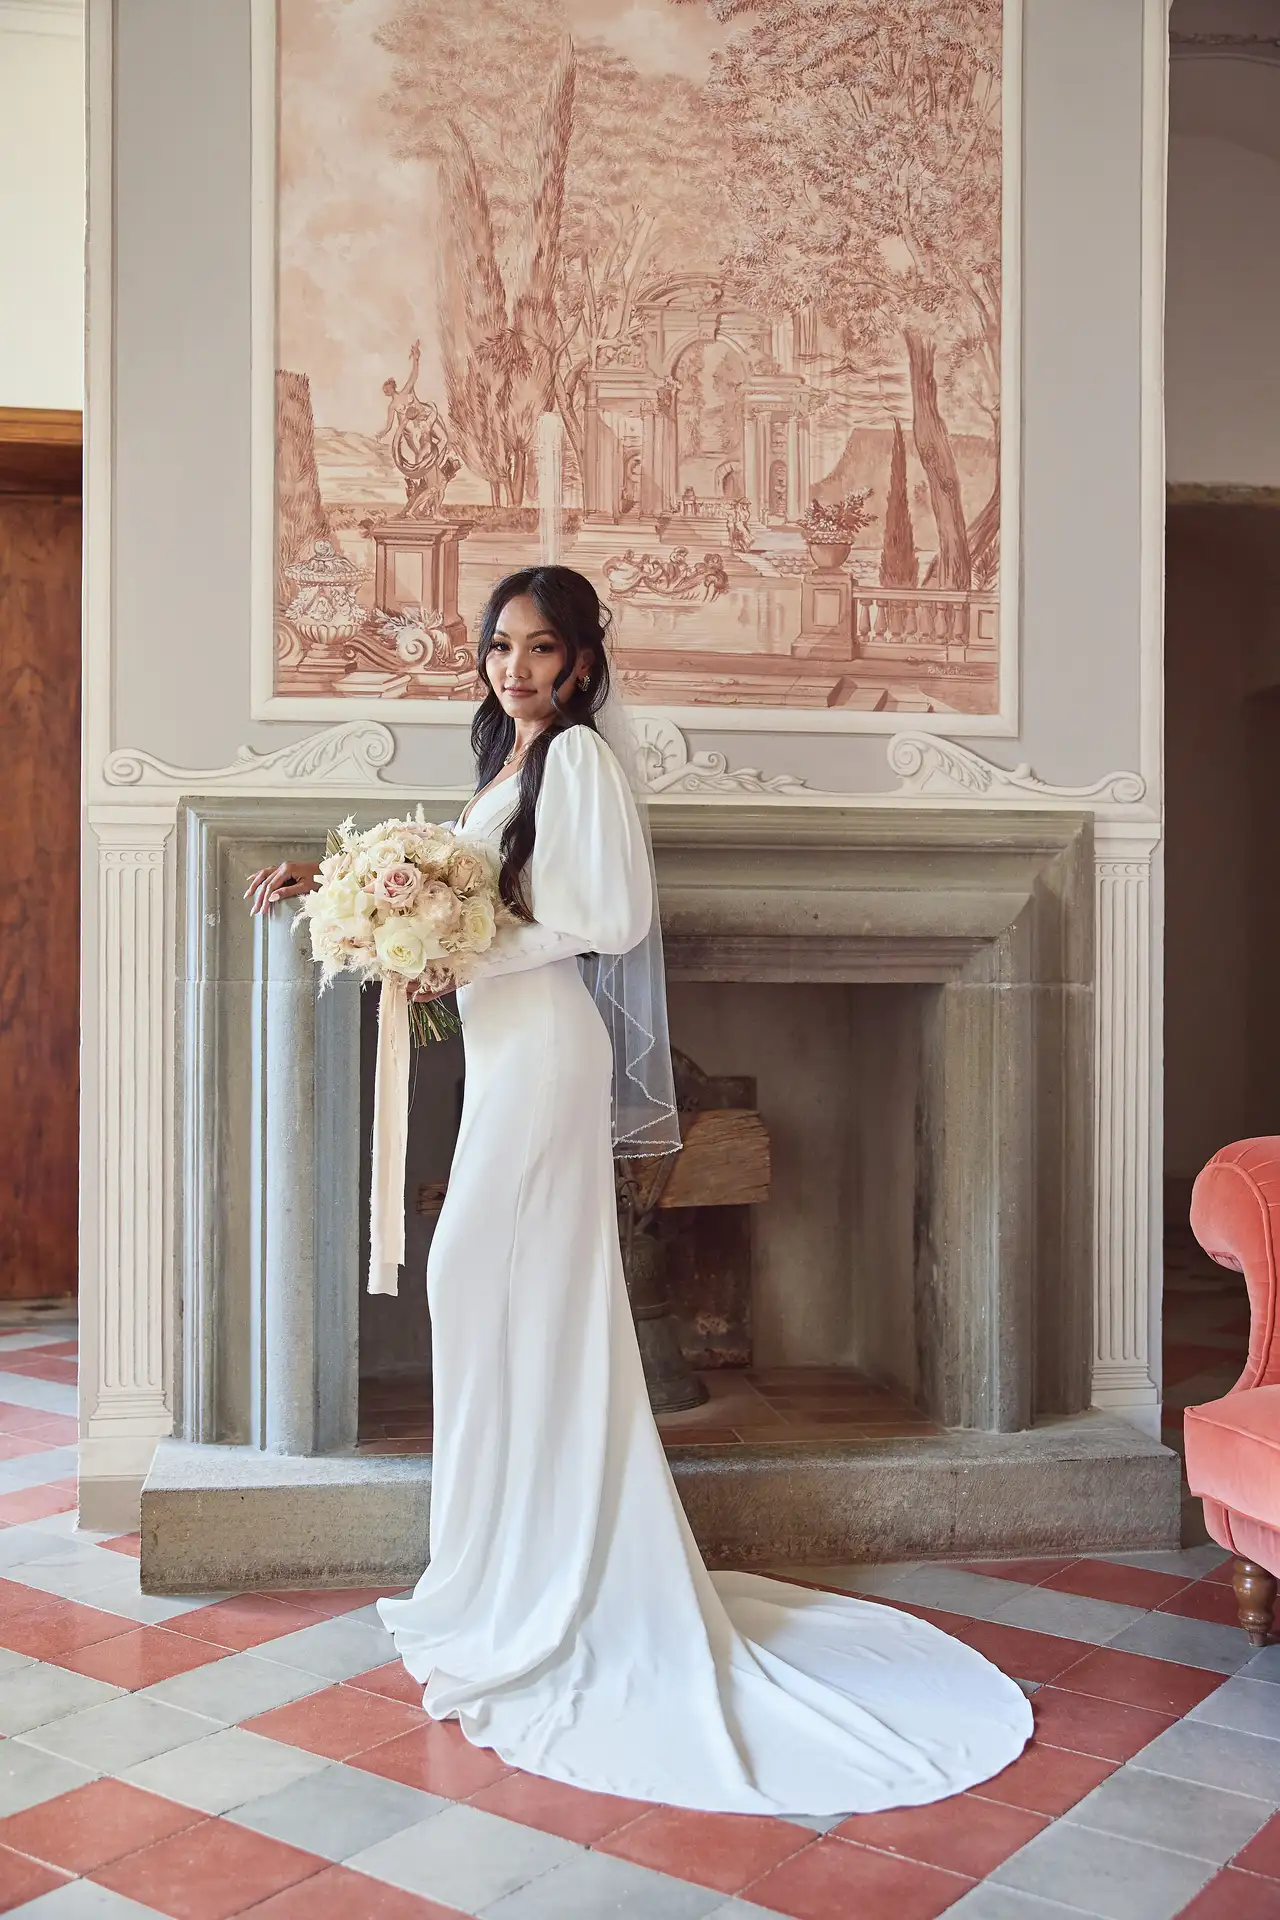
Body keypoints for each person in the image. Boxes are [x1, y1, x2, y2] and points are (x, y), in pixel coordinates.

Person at [244, 565, 1032, 1815]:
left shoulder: (584, 766)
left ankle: (550, 1576)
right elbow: (462, 879)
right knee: (504, 1301)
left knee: (486, 1284)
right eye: (500, 646)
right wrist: (331, 882)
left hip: (546, 1051)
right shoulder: (514, 764)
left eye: (540, 649)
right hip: (505, 1047)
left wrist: (459, 943)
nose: (515, 667)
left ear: (582, 658)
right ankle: (501, 1566)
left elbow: (605, 915)